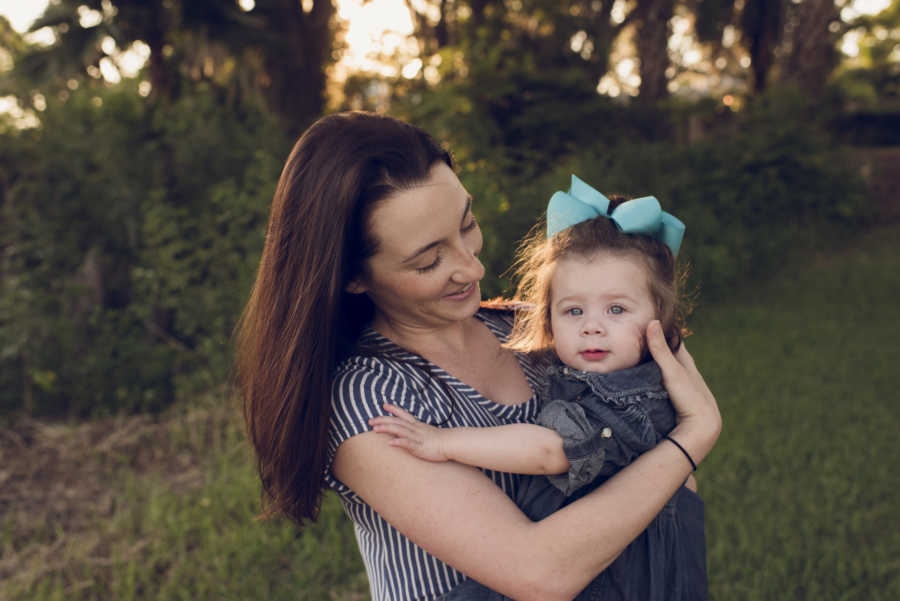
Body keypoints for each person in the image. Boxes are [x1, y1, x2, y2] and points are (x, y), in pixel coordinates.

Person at [234, 111, 721, 601]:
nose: (472, 266)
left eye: (467, 225)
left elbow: (663, 472)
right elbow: (541, 573)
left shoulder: (537, 327)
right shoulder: (371, 399)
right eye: (429, 261)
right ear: (352, 278)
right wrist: (691, 438)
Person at [370, 174, 707, 601]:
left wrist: (444, 442)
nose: (592, 327)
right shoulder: (365, 387)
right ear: (547, 317)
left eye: (617, 309)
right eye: (573, 310)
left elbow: (550, 450)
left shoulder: (628, 397)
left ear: (659, 317)